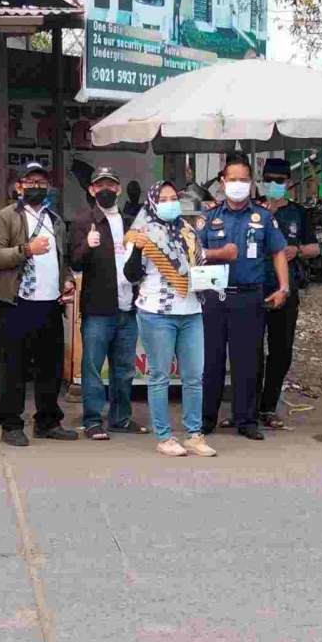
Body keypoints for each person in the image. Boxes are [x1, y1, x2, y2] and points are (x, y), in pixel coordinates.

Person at [197, 153, 289, 440]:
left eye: (243, 180)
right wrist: (217, 255)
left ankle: (247, 420)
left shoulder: (263, 217)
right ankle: (205, 419)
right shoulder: (208, 218)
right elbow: (194, 255)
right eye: (232, 179)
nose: (238, 184)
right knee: (210, 361)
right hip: (213, 296)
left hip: (249, 297)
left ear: (251, 183)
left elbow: (278, 253)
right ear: (223, 183)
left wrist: (283, 287)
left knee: (247, 361)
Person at [0, 162, 77, 447]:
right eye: (30, 182)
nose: (36, 187)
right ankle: (11, 424)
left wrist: (66, 280)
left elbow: (60, 260)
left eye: (41, 182)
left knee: (49, 366)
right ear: (19, 187)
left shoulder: (56, 220)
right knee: (13, 366)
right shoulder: (6, 217)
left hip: (49, 303)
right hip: (17, 302)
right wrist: (27, 250)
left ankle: (48, 421)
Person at [123, 181, 215, 457]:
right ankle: (164, 436)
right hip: (157, 312)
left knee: (194, 376)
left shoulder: (188, 231)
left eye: (173, 197)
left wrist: (210, 280)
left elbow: (200, 265)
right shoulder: (141, 234)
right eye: (162, 198)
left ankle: (194, 434)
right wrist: (138, 249)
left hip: (191, 311)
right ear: (152, 202)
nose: (169, 202)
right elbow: (131, 275)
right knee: (160, 376)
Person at [70, 166, 144, 440]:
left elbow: (140, 262)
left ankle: (120, 419)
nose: (106, 190)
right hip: (98, 309)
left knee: (124, 370)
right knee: (92, 368)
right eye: (100, 186)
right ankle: (92, 421)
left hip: (127, 308)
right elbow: (75, 262)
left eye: (111, 186)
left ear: (119, 189)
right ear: (91, 190)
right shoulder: (83, 221)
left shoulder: (129, 223)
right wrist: (88, 244)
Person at [256, 158, 319, 428]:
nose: (273, 185)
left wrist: (298, 251)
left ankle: (268, 405)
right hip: (255, 287)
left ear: (288, 183)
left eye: (279, 181)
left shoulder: (298, 213)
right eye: (268, 179)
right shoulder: (253, 210)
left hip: (286, 288)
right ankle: (247, 405)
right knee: (250, 350)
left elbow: (315, 248)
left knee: (281, 350)